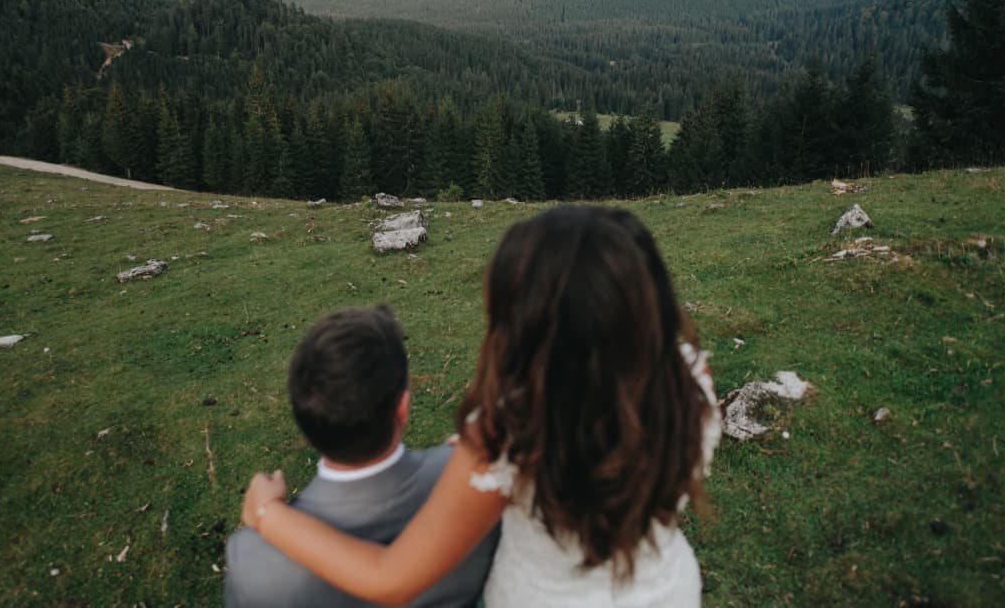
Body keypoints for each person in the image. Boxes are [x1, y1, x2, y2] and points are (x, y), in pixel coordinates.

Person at [240, 206, 721, 607]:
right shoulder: (688, 380)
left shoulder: (507, 434)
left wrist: (268, 515)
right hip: (665, 591)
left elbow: (389, 578)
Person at [225, 304, 499, 608]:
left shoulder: (251, 558)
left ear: (303, 417)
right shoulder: (480, 478)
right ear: (403, 408)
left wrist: (267, 513)